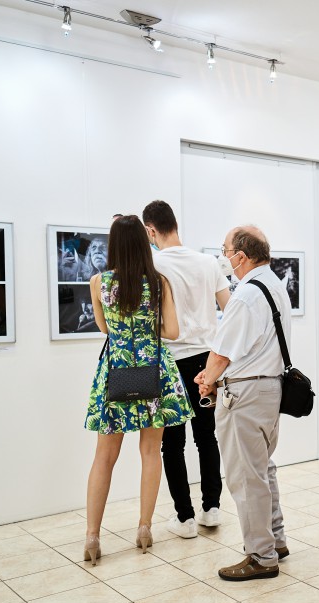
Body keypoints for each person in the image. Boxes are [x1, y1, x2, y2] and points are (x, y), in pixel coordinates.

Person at [82, 216, 192, 566]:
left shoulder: (98, 282)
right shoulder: (158, 283)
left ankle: (92, 536)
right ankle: (144, 528)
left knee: (104, 457)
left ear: (113, 244)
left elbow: (104, 328)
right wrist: (147, 326)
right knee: (150, 452)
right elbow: (173, 332)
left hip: (116, 370)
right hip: (153, 371)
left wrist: (124, 327)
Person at [194, 227, 291, 581]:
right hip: (269, 389)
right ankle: (275, 540)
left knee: (247, 477)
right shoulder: (274, 285)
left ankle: (261, 556)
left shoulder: (247, 294)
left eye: (225, 250)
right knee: (262, 469)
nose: (223, 257)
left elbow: (222, 353)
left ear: (241, 256)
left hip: (245, 395)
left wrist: (207, 379)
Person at [143, 200, 231, 540]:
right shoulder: (208, 262)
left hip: (170, 361)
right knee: (207, 436)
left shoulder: (152, 263)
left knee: (172, 443)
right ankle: (212, 508)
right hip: (206, 360)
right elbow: (229, 309)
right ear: (175, 225)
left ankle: (185, 518)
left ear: (151, 230)